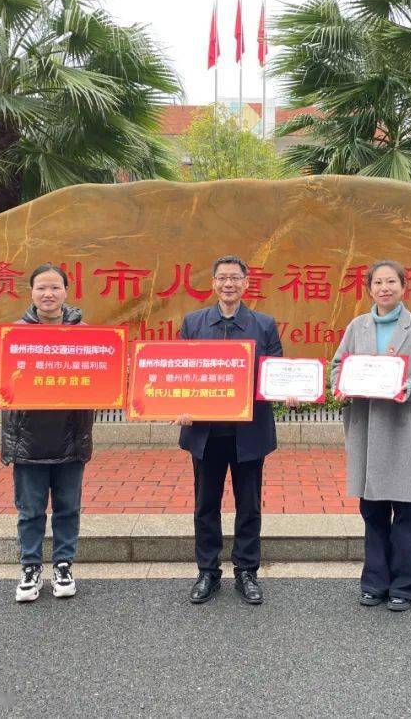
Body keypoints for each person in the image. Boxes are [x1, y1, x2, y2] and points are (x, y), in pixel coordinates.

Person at [173, 255, 294, 606]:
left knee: (249, 505)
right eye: (223, 278)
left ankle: (246, 571)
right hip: (205, 434)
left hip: (249, 434)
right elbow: (179, 372)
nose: (229, 284)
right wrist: (177, 403)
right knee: (205, 505)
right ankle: (208, 572)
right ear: (213, 283)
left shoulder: (264, 324)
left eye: (235, 278)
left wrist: (289, 391)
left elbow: (277, 370)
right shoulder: (194, 323)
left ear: (246, 283)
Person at [330, 259, 411, 612]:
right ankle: (374, 584)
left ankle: (405, 588)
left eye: (391, 282)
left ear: (403, 286)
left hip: (405, 429)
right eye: (378, 282)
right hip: (368, 432)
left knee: (407, 516)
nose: (384, 288)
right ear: (369, 289)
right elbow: (339, 365)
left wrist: (409, 386)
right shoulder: (357, 327)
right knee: (374, 513)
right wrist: (340, 385)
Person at [0, 263, 94, 603]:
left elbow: (103, 367)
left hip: (71, 435)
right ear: (31, 293)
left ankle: (63, 565)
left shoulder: (84, 332)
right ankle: (30, 568)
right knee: (29, 510)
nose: (48, 294)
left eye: (55, 287)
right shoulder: (14, 334)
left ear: (66, 292)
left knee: (67, 508)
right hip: (27, 438)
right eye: (42, 288)